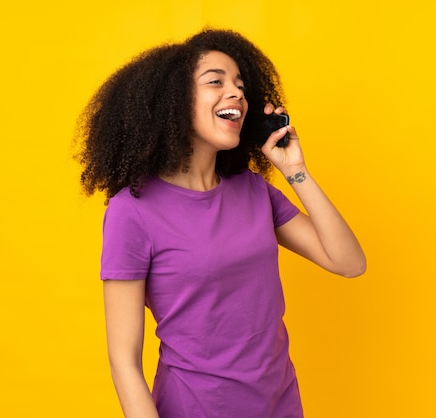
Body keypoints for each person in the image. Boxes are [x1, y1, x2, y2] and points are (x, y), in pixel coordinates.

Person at [75, 28, 366, 418]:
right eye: (216, 81)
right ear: (173, 101)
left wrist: (295, 170)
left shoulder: (253, 190)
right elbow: (124, 360)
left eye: (241, 86)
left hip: (279, 404)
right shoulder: (133, 211)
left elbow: (349, 263)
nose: (237, 94)